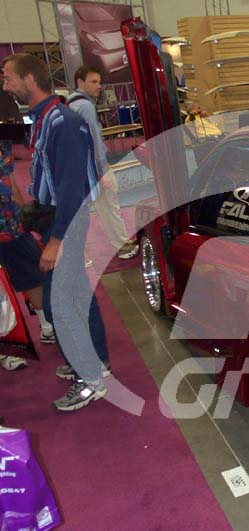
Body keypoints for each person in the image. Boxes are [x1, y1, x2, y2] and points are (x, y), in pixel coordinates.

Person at [2, 53, 110, 411]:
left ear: (29, 79)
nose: (6, 85)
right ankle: (92, 364)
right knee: (74, 296)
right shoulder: (46, 118)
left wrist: (57, 239)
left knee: (60, 305)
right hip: (58, 219)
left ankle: (90, 379)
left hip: (66, 221)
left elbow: (71, 188)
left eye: (9, 78)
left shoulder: (61, 121)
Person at [67, 65, 139, 261]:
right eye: (93, 82)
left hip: (78, 165)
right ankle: (122, 246)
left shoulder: (69, 103)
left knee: (86, 211)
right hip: (93, 167)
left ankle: (80, 255)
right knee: (109, 206)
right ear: (80, 82)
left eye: (99, 82)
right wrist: (102, 169)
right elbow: (94, 140)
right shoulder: (85, 106)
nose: (98, 86)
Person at [0, 128, 56, 372]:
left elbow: (10, 183)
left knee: (34, 274)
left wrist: (24, 217)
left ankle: (47, 326)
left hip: (10, 226)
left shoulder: (2, 148)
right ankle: (7, 346)